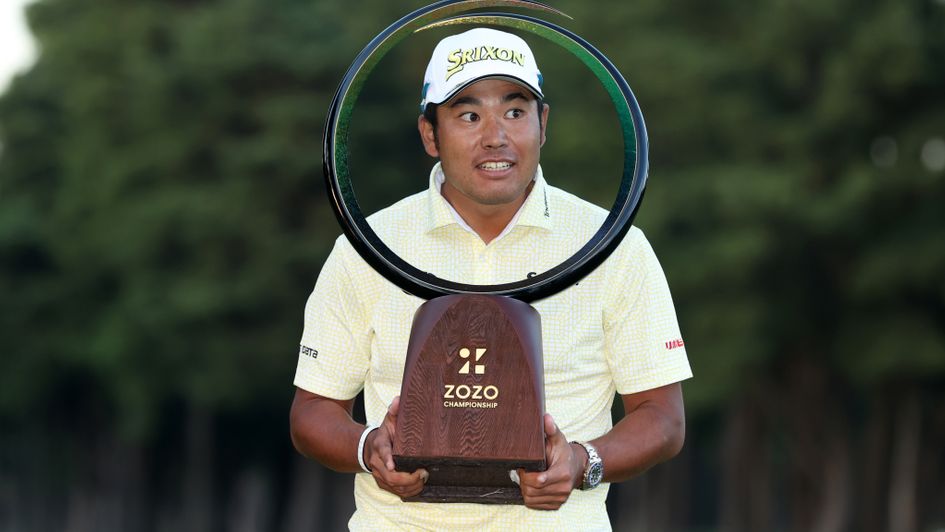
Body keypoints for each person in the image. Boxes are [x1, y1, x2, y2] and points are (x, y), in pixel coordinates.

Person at [290, 27, 692, 530]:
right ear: (429, 134)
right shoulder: (365, 247)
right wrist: (368, 446)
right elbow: (311, 412)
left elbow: (663, 417)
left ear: (543, 124)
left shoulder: (617, 247)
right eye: (469, 115)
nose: (496, 136)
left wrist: (583, 462)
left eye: (515, 111)